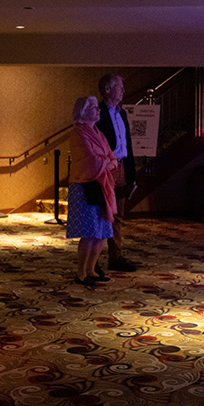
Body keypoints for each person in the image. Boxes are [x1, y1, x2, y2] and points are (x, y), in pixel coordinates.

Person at [67, 95, 118, 286]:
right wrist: (106, 162)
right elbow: (92, 161)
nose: (98, 110)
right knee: (88, 232)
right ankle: (81, 272)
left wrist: (106, 162)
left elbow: (113, 159)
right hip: (84, 185)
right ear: (83, 110)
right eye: (94, 107)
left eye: (98, 107)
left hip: (102, 184)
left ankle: (91, 269)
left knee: (101, 231)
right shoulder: (78, 133)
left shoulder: (99, 133)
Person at [95, 73, 139, 271]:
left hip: (121, 166)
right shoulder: (98, 112)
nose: (123, 90)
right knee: (101, 213)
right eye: (119, 86)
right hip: (106, 168)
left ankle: (116, 257)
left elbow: (127, 144)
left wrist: (131, 173)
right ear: (107, 89)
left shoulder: (122, 113)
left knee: (119, 215)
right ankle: (93, 261)